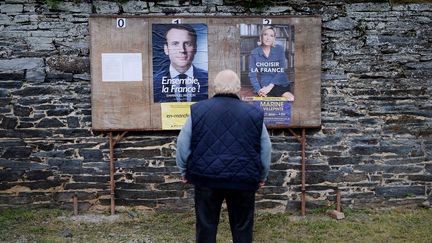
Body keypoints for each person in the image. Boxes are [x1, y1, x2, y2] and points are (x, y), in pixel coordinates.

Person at [176, 69, 272, 243]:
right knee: (242, 227)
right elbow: (265, 147)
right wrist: (262, 175)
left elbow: (183, 142)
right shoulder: (254, 114)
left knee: (206, 227)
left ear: (215, 87)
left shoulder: (198, 110)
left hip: (206, 178)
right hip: (243, 179)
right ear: (238, 88)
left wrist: (183, 170)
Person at [153, 24, 208, 102]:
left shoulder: (208, 79)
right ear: (166, 49)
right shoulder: (154, 82)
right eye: (175, 44)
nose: (182, 50)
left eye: (187, 44)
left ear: (195, 48)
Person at [248, 26, 294, 101]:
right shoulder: (254, 52)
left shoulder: (279, 49)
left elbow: (281, 71)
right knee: (269, 107)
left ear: (274, 38)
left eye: (271, 35)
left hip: (280, 83)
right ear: (261, 36)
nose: (268, 38)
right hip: (264, 86)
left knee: (291, 99)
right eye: (265, 34)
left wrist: (270, 86)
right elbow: (252, 75)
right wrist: (259, 90)